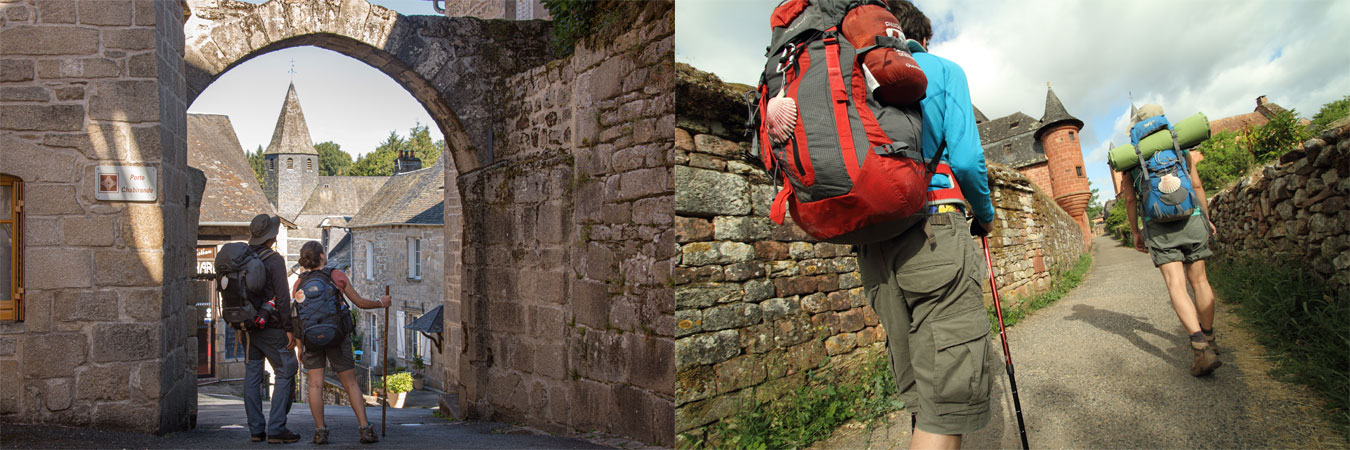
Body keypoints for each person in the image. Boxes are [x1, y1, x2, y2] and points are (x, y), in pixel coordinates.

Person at [857, 2, 996, 448]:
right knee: (946, 404)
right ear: (923, 37)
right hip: (935, 228)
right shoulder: (942, 70)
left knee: (921, 389)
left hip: (873, 245)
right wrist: (985, 217)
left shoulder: (852, 72)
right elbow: (969, 161)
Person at [1120, 104, 1221, 377]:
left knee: (1176, 284)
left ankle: (1200, 349)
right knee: (1200, 281)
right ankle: (1210, 339)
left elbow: (1129, 199)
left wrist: (1135, 231)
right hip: (1192, 218)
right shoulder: (1180, 147)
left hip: (1158, 226)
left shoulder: (1131, 159)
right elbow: (1196, 185)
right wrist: (1206, 218)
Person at [290, 240, 391, 444]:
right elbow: (359, 302)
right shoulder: (337, 276)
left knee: (315, 385)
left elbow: (297, 318)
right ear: (322, 256)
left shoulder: (298, 284)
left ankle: (320, 432)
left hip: (311, 340)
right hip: (337, 337)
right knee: (351, 383)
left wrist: (300, 347)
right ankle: (364, 429)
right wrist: (381, 303)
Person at [243, 214, 302, 444]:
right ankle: (277, 428)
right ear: (272, 237)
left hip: (248, 327)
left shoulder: (242, 257)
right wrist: (289, 329)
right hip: (272, 327)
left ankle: (256, 430)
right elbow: (283, 297)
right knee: (286, 370)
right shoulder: (274, 260)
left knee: (252, 374)